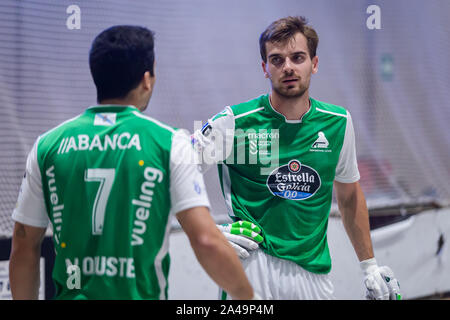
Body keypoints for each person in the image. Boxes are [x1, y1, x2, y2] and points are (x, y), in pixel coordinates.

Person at [9, 25, 258, 300]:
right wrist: (248, 298)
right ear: (147, 79)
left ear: (97, 75)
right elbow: (206, 240)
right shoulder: (169, 142)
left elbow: (23, 243)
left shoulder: (48, 144)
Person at [192, 16, 401, 300]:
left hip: (314, 278)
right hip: (252, 270)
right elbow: (173, 175)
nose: (287, 66)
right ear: (265, 69)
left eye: (297, 57)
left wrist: (369, 266)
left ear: (314, 64)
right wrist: (208, 230)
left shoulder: (338, 123)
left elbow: (350, 197)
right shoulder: (234, 122)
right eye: (276, 60)